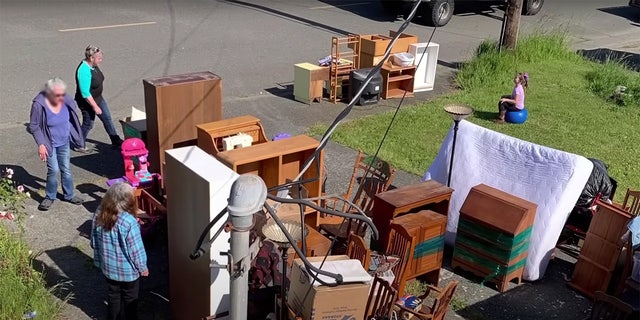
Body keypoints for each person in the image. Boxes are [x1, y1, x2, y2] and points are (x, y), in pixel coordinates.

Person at [91, 182, 148, 320]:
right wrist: (143, 267)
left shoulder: (99, 213)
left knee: (113, 295)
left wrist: (98, 259)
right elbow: (136, 250)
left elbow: (94, 241)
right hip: (128, 272)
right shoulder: (129, 221)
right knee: (130, 298)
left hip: (109, 269)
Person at [28, 78, 85, 211]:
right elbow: (34, 126)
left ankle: (69, 195)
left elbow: (73, 106)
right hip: (49, 142)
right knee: (53, 169)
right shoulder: (38, 104)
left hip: (64, 140)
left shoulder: (63, 97)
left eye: (62, 94)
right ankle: (50, 196)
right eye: (57, 95)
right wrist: (41, 144)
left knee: (66, 168)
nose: (61, 97)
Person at [75, 45, 123, 149]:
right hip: (87, 102)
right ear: (91, 58)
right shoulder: (83, 70)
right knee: (88, 124)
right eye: (99, 58)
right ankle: (79, 145)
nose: (101, 59)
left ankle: (115, 140)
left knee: (107, 119)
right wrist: (95, 107)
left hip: (98, 98)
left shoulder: (93, 65)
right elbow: (85, 93)